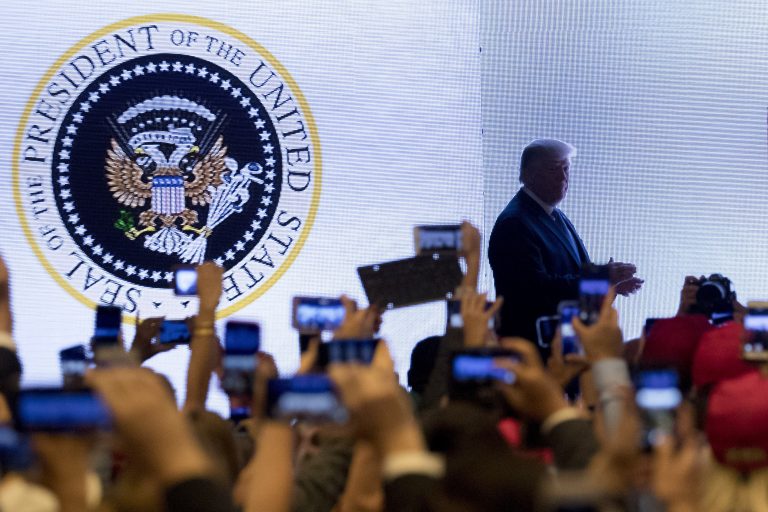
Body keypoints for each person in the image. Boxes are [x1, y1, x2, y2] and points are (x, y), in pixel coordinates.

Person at [488, 138, 642, 344]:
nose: (563, 177)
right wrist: (603, 277)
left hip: (567, 342)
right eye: (554, 169)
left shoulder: (555, 214)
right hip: (536, 348)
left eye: (566, 168)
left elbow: (573, 273)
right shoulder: (514, 223)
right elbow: (536, 291)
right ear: (529, 174)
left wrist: (610, 284)